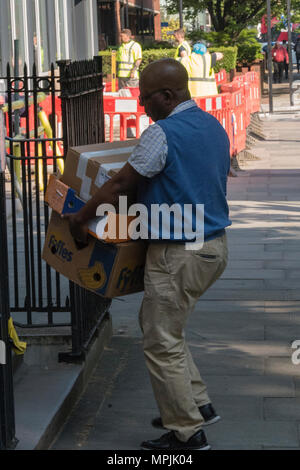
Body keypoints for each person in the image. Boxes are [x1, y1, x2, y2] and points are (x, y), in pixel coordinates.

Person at [63, 58, 231, 451]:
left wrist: (81, 219)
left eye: (146, 97)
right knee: (164, 329)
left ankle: (187, 432)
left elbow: (122, 181)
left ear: (168, 96)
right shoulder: (212, 126)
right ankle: (197, 404)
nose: (141, 105)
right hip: (212, 247)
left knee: (160, 341)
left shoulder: (163, 132)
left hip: (178, 254)